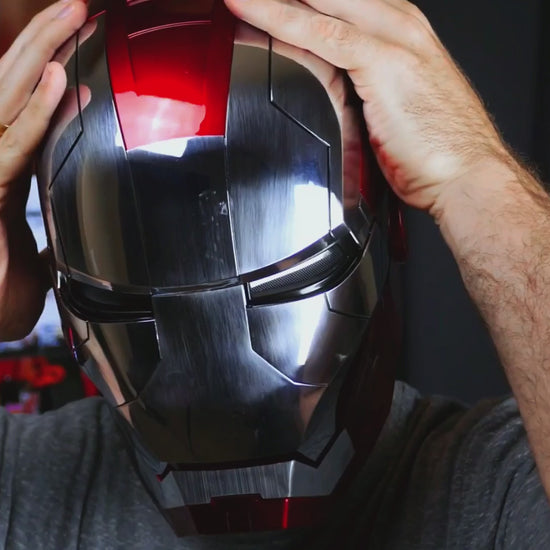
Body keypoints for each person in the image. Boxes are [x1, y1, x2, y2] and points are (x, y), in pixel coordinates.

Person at [0, 0, 549, 548]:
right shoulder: (24, 486)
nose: (213, 340)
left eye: (286, 275)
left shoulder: (498, 489)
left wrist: (473, 176)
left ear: (387, 227)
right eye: (138, 282)